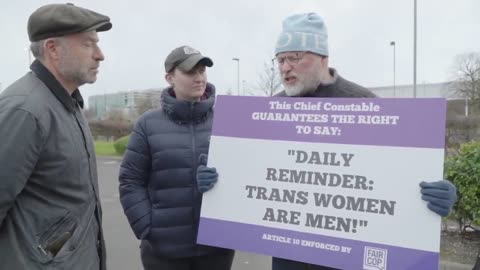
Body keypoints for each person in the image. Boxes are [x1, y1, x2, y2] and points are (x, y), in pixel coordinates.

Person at [271, 12, 458, 270]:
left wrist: (438, 193)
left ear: (323, 58)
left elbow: (398, 173)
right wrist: (220, 181)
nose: (284, 67)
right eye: (280, 59)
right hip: (287, 256)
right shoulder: (273, 109)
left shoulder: (363, 103)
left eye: (295, 57)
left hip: (345, 256)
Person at [0, 3, 111, 270]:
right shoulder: (25, 110)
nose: (100, 55)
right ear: (52, 48)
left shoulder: (68, 104)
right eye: (88, 44)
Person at [119, 45, 234, 270]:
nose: (199, 77)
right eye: (191, 72)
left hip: (216, 249)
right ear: (170, 77)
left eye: (202, 71)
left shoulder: (227, 121)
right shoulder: (147, 124)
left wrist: (223, 180)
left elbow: (247, 175)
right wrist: (148, 228)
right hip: (164, 253)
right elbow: (131, 181)